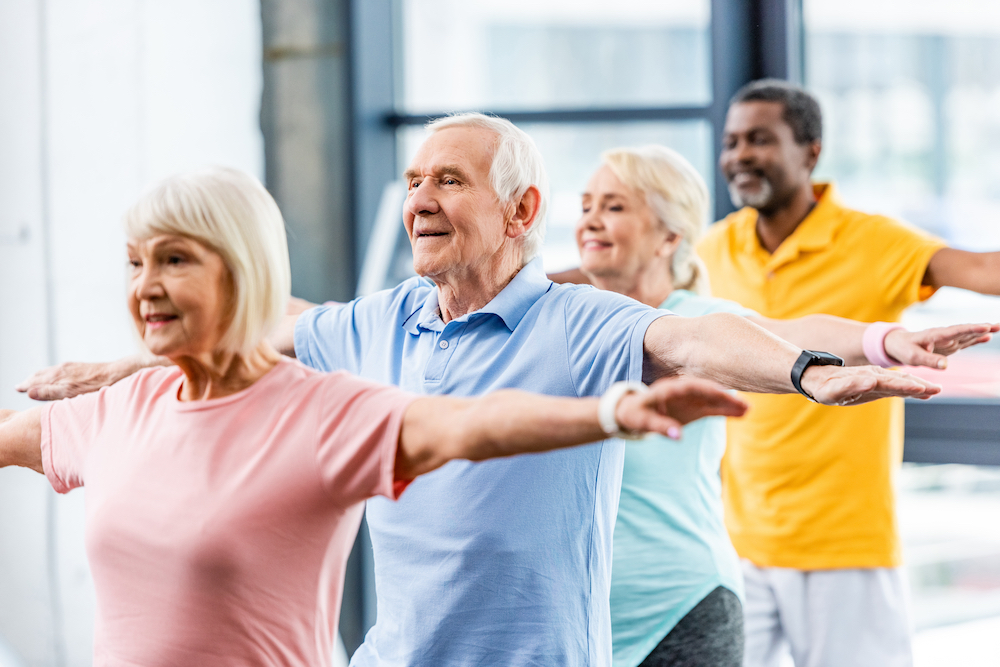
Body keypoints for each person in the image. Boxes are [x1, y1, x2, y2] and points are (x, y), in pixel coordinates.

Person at [17, 114, 941, 666]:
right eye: (413, 179)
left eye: (448, 181)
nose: (419, 197)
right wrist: (131, 367)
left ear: (520, 211)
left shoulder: (583, 323)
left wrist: (824, 362)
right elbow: (251, 323)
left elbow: (702, 334)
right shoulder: (378, 323)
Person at [552, 145, 995, 667]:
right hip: (584, 614)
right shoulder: (565, 316)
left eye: (615, 206)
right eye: (585, 206)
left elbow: (787, 332)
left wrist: (884, 341)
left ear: (669, 237)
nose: (591, 221)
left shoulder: (697, 317)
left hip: (677, 610)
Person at [698, 79, 1000, 667]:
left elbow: (985, 270)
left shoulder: (872, 241)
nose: (739, 155)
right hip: (739, 540)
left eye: (760, 139)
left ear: (810, 151)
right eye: (732, 141)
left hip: (845, 543)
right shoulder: (711, 250)